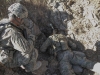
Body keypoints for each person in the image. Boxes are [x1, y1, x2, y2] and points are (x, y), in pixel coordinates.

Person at [0, 3, 42, 73]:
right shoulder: (13, 33)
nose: (23, 21)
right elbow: (27, 49)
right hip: (7, 60)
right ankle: (30, 68)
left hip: (4, 52)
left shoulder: (3, 22)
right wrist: (31, 38)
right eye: (22, 19)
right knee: (33, 52)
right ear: (18, 18)